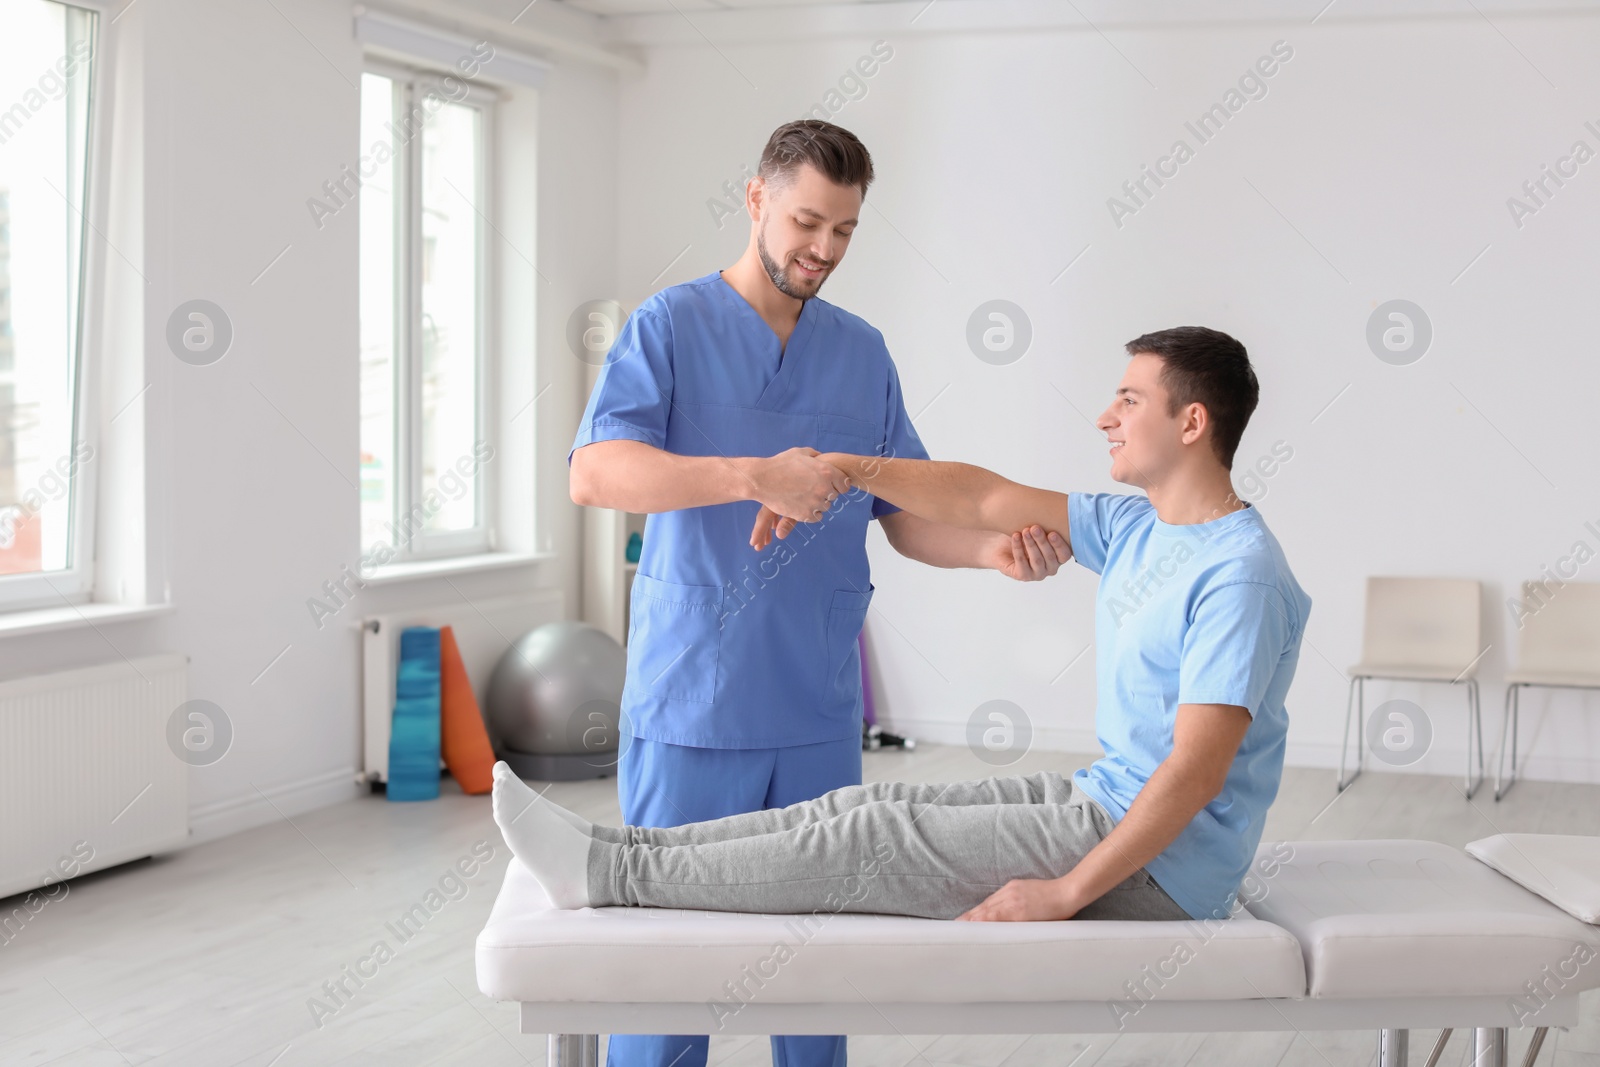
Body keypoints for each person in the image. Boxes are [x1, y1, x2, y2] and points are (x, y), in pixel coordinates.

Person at [508, 325, 1312, 927]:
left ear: (1192, 422)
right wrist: (849, 468)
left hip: (1164, 868)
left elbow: (1196, 773)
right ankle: (609, 855)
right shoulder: (1141, 528)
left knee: (868, 843)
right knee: (847, 816)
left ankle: (608, 874)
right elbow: (984, 499)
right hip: (1103, 800)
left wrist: (1064, 894)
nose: (1105, 414)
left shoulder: (1238, 574)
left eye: (1130, 400)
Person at [565, 119, 1068, 1067]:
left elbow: (905, 509)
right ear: (755, 199)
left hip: (815, 709)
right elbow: (596, 473)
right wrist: (754, 476)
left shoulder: (861, 353)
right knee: (674, 972)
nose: (823, 250)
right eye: (806, 221)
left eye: (843, 231)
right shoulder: (670, 326)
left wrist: (991, 551)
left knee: (817, 971)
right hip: (694, 706)